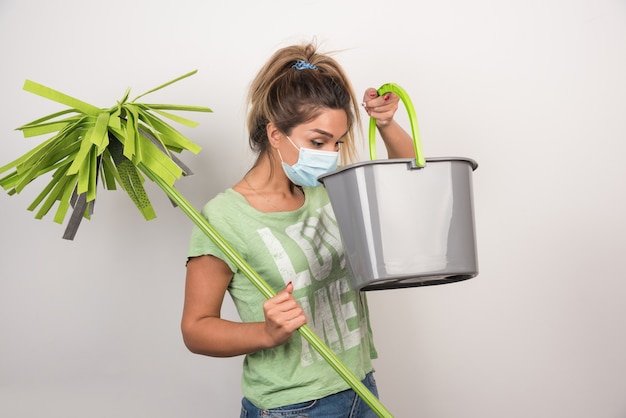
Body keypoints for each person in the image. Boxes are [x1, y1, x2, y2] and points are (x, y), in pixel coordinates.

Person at [182, 42, 414, 417]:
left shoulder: (327, 189)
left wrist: (385, 124)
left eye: (337, 142)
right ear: (276, 135)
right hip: (293, 406)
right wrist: (266, 333)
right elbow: (195, 328)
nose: (330, 154)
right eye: (318, 142)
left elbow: (407, 184)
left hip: (360, 386)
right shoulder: (224, 217)